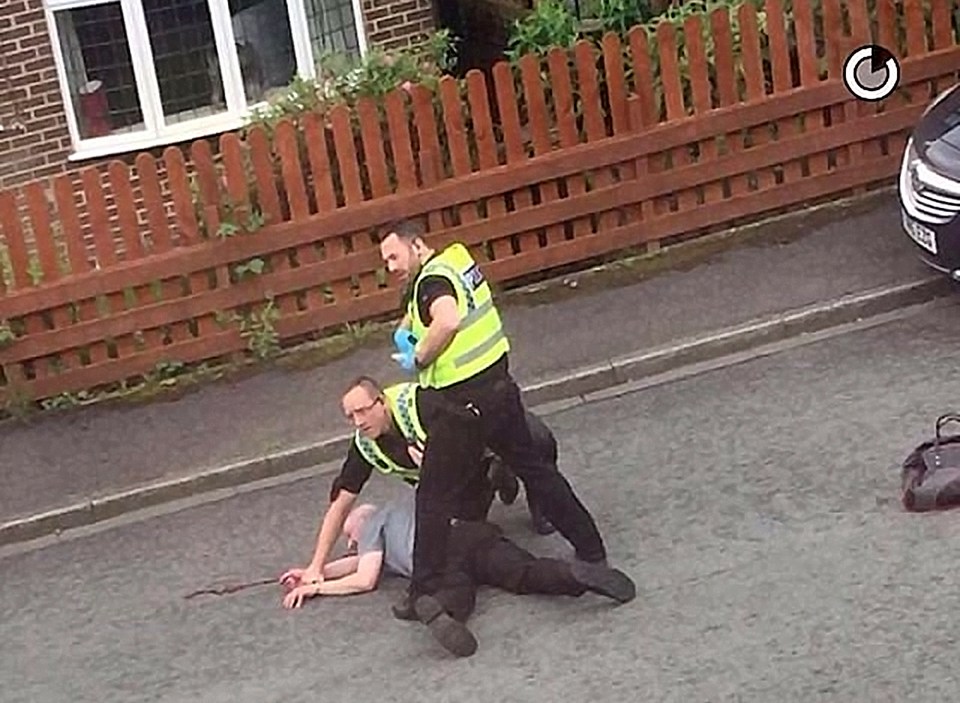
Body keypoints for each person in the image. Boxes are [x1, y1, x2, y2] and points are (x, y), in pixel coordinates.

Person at [379, 218, 609, 614]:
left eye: (394, 256)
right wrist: (409, 329)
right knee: (536, 470)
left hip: (462, 405)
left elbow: (447, 319)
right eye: (385, 262)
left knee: (432, 497)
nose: (391, 267)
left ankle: (424, 590)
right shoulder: (454, 261)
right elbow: (434, 312)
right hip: (500, 388)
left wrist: (420, 356)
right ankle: (590, 549)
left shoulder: (432, 282)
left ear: (416, 245)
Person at [278, 375, 556, 592]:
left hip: (478, 440)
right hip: (455, 484)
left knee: (536, 442)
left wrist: (443, 457)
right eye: (351, 417)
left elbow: (470, 424)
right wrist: (316, 567)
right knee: (466, 536)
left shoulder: (417, 404)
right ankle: (495, 478)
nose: (358, 422)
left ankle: (534, 496)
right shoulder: (364, 446)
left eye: (362, 411)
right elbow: (340, 505)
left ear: (382, 402)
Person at [280, 491, 636, 658]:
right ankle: (574, 575)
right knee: (525, 572)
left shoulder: (374, 521)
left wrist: (320, 591)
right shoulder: (407, 506)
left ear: (359, 522)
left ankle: (440, 612)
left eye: (349, 538)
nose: (351, 545)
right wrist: (314, 573)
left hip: (440, 554)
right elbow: (358, 563)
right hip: (471, 533)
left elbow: (364, 576)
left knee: (454, 592)